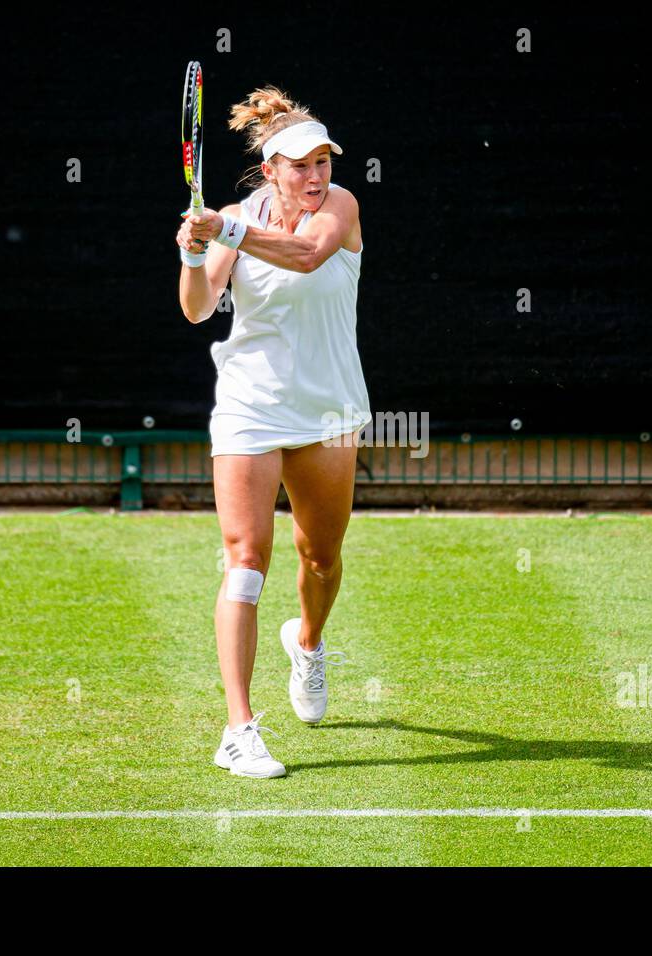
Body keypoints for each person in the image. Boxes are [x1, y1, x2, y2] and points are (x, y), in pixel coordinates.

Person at [176, 86, 370, 779]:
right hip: (249, 406)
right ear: (270, 170)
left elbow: (306, 256)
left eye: (322, 161)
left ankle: (309, 645)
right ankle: (239, 729)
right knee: (246, 560)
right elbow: (198, 311)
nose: (315, 176)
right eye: (300, 166)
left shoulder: (340, 208)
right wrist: (194, 253)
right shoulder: (236, 216)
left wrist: (224, 232)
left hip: (327, 412)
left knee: (320, 558)